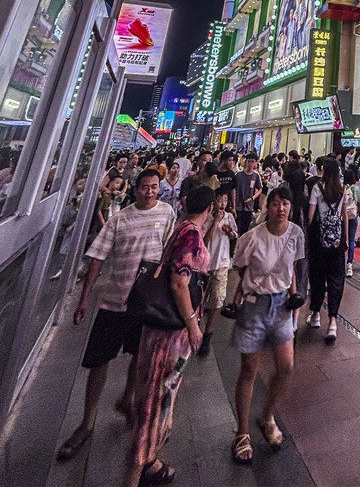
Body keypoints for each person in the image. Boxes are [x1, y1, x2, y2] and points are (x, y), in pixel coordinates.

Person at [57, 169, 175, 461]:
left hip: (145, 304)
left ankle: (128, 398)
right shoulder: (119, 220)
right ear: (135, 189)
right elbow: (97, 259)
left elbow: (170, 250)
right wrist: (85, 299)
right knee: (99, 361)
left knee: (139, 355)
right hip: (114, 301)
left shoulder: (167, 213)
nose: (150, 192)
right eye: (145, 187)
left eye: (154, 187)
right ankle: (87, 422)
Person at [124, 184, 214, 487]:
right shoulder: (191, 235)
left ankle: (150, 462)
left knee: (158, 395)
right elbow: (179, 283)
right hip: (170, 333)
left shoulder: (182, 227)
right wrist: (193, 324)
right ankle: (135, 472)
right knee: (155, 399)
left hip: (162, 329)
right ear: (210, 208)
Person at [232, 185, 305, 464]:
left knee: (286, 366)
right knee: (249, 371)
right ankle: (242, 432)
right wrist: (243, 290)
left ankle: (266, 415)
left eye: (285, 203)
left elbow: (291, 267)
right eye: (275, 203)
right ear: (268, 206)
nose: (281, 208)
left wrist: (294, 297)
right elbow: (241, 267)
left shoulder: (296, 233)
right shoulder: (252, 237)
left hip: (282, 306)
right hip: (254, 307)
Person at [307, 158, 348, 341]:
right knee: (336, 280)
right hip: (337, 242)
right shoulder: (342, 189)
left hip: (319, 242)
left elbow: (311, 215)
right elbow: (344, 216)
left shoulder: (317, 188)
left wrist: (308, 236)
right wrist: (345, 239)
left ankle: (316, 314)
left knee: (317, 277)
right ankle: (332, 322)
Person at [200, 189, 239, 357]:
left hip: (222, 263)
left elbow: (235, 235)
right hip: (205, 264)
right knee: (200, 298)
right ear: (213, 202)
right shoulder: (207, 218)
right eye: (219, 200)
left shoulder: (229, 217)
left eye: (225, 200)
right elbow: (203, 241)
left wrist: (230, 232)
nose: (222, 203)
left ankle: (207, 332)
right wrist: (214, 222)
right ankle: (196, 326)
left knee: (218, 298)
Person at [235, 152, 262, 235]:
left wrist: (252, 198)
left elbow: (260, 189)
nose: (250, 164)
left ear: (256, 163)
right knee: (236, 228)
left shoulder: (256, 175)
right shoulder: (238, 175)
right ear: (245, 162)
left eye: (252, 161)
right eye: (249, 161)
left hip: (249, 206)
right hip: (238, 205)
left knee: (245, 229)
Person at [344, 165, 360, 277]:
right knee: (351, 240)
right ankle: (349, 264)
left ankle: (340, 261)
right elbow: (359, 204)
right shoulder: (356, 189)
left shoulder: (342, 188)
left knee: (342, 238)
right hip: (353, 215)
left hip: (343, 216)